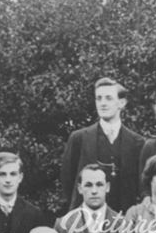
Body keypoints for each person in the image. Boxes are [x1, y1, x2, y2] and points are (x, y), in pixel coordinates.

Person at [61, 77, 146, 212]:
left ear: (121, 103)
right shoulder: (79, 138)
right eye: (99, 98)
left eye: (108, 98)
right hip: (86, 218)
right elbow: (68, 180)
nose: (103, 103)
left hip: (124, 218)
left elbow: (141, 185)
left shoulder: (137, 143)